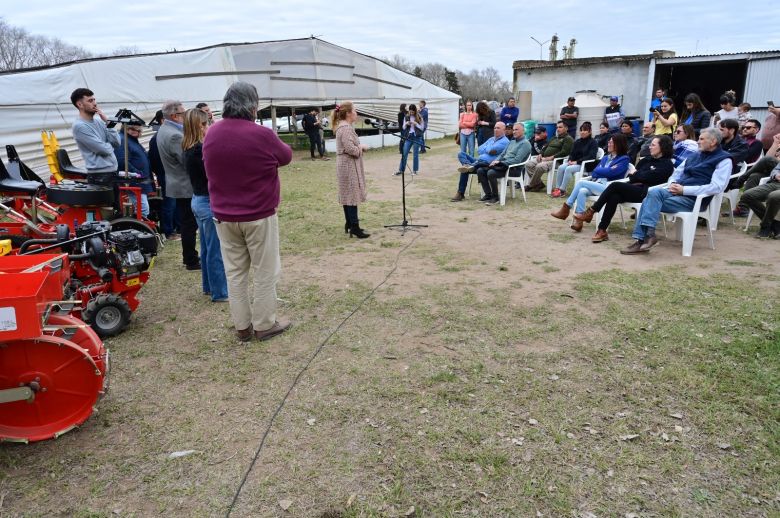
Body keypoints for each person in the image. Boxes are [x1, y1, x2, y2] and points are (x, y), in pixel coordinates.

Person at [202, 81, 293, 342]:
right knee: (265, 271)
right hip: (258, 214)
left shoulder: (212, 133)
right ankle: (264, 324)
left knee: (235, 273)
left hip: (223, 215)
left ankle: (242, 327)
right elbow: (286, 156)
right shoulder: (260, 134)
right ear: (253, 106)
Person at [620, 127, 731, 254]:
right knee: (651, 194)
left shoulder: (724, 160)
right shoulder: (694, 156)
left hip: (693, 200)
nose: (698, 142)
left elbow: (717, 187)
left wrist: (685, 190)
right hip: (675, 192)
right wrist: (672, 183)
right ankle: (648, 237)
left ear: (713, 142)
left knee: (648, 200)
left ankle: (642, 239)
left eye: (701, 139)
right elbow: (676, 173)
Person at [584, 136, 675, 243]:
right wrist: (640, 175)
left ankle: (593, 210)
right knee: (614, 196)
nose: (650, 147)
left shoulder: (667, 164)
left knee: (615, 185)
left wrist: (639, 175)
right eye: (650, 145)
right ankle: (602, 230)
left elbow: (648, 177)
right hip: (635, 188)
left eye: (653, 145)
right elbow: (633, 176)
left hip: (648, 193)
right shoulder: (646, 160)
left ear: (662, 147)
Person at [182, 108, 228, 302]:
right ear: (198, 126)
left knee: (208, 248)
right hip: (206, 201)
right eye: (205, 124)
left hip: (198, 200)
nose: (208, 127)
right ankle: (220, 292)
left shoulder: (188, 148)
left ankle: (209, 287)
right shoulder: (200, 151)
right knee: (215, 249)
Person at [551, 133, 630, 231]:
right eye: (609, 142)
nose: (608, 144)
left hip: (609, 188)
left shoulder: (624, 159)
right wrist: (605, 171)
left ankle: (566, 208)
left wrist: (603, 171)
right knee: (582, 191)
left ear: (618, 144)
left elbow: (610, 173)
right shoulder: (606, 158)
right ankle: (579, 222)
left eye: (611, 142)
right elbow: (594, 172)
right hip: (598, 184)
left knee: (581, 183)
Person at [158, 100, 200, 270]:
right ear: (175, 116)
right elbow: (187, 161)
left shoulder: (165, 130)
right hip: (184, 185)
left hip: (178, 183)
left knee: (187, 223)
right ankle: (190, 259)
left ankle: (189, 257)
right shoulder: (175, 135)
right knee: (189, 224)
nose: (186, 116)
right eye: (183, 113)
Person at [451, 122, 509, 201]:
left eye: (498, 128)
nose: (495, 130)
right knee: (461, 154)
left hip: (487, 164)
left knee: (464, 170)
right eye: (495, 128)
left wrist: (487, 148)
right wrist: (487, 149)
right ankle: (469, 165)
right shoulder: (491, 139)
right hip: (478, 161)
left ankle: (460, 193)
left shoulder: (505, 142)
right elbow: (479, 149)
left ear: (504, 130)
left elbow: (490, 150)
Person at [476, 124, 531, 204]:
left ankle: (495, 197)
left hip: (514, 169)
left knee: (491, 173)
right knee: (480, 170)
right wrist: (496, 161)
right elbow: (502, 154)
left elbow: (517, 160)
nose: (514, 131)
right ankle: (488, 195)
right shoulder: (511, 142)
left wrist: (501, 162)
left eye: (517, 130)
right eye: (514, 130)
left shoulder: (525, 143)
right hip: (503, 166)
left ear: (523, 131)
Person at [69, 88, 119, 172]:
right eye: (90, 101)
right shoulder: (80, 126)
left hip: (111, 172)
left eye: (94, 100)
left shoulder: (99, 122)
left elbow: (117, 143)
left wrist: (108, 123)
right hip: (99, 175)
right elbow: (104, 150)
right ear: (80, 104)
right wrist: (110, 145)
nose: (95, 104)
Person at [149, 109, 180, 239]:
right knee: (169, 203)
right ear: (162, 120)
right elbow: (155, 159)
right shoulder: (157, 138)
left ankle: (177, 228)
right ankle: (168, 230)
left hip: (171, 174)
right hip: (167, 174)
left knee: (175, 202)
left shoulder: (165, 135)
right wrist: (163, 172)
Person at [114, 123, 154, 217]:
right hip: (135, 180)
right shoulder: (123, 139)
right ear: (127, 129)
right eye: (136, 130)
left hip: (138, 180)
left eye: (139, 131)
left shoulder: (130, 140)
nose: (139, 133)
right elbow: (122, 161)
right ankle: (139, 229)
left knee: (142, 209)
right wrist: (137, 173)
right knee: (143, 209)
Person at [551, 122, 598, 198]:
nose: (582, 132)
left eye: (585, 130)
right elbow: (572, 153)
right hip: (574, 163)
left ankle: (562, 190)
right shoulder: (577, 142)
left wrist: (577, 162)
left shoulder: (593, 142)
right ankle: (557, 188)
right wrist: (570, 160)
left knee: (569, 169)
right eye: (581, 130)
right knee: (561, 167)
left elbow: (591, 156)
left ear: (590, 132)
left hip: (585, 165)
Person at [524, 121, 574, 192]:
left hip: (555, 161)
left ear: (566, 128)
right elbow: (545, 147)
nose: (558, 129)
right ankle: (538, 184)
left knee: (539, 166)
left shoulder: (568, 139)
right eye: (557, 127)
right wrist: (541, 153)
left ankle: (531, 185)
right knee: (528, 164)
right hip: (544, 158)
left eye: (560, 127)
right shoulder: (554, 138)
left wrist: (552, 157)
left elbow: (565, 152)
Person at [740, 162, 780, 238]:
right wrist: (776, 175)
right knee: (747, 195)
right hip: (775, 183)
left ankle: (765, 227)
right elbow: (776, 169)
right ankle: (774, 224)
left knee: (773, 196)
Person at [396, 104, 424, 176]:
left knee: (415, 154)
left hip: (416, 137)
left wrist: (416, 124)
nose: (411, 113)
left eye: (412, 112)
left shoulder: (419, 117)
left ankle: (415, 171)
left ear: (415, 111)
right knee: (404, 153)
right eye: (410, 111)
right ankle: (401, 170)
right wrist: (406, 123)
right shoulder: (406, 117)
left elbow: (422, 128)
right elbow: (403, 128)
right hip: (408, 137)